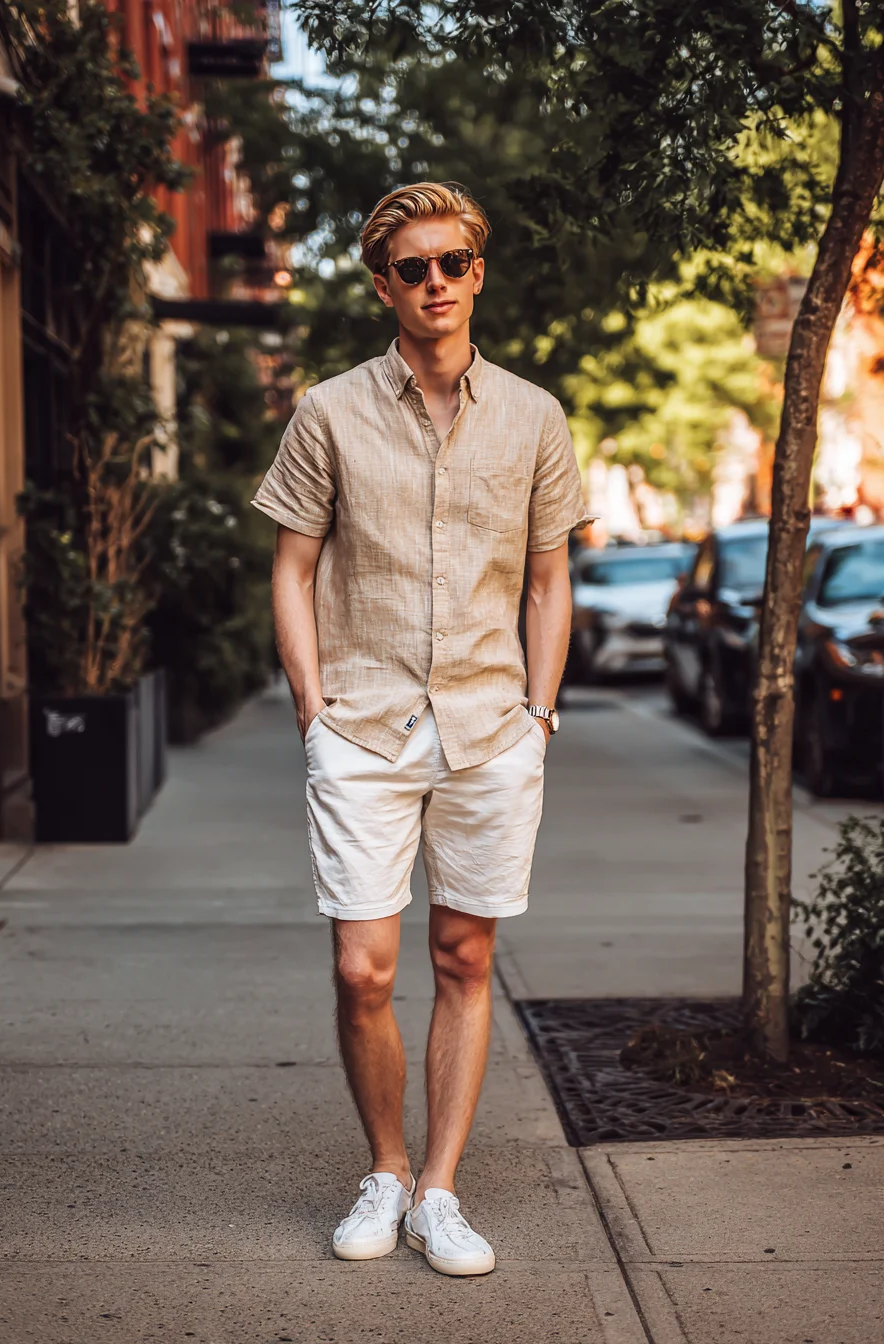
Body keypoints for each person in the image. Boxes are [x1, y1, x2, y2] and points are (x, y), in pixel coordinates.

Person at [252, 182, 590, 1277]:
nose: (434, 281)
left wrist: (540, 710)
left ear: (476, 273)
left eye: (451, 262)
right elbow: (292, 566)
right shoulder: (329, 411)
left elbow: (550, 576)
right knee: (361, 965)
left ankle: (439, 1190)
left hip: (493, 725)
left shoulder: (534, 416)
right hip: (362, 723)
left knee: (462, 955)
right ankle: (384, 1170)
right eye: (412, 267)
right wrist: (311, 705)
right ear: (382, 282)